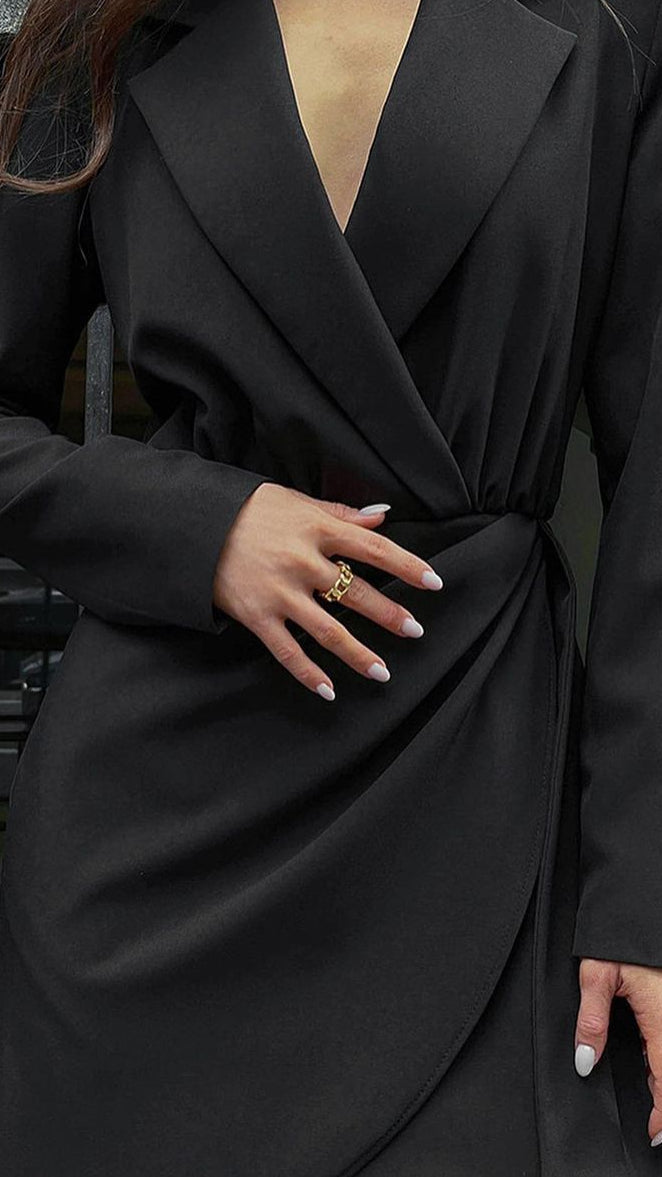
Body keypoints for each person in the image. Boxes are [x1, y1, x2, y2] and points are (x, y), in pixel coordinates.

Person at [0, 0, 661, 1171]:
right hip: (155, 864)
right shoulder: (99, 31)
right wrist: (198, 526)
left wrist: (642, 888)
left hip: (489, 785)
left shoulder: (614, 26)